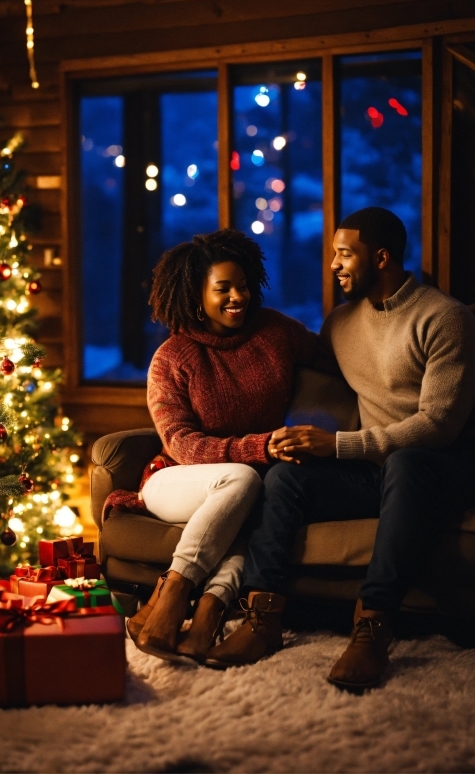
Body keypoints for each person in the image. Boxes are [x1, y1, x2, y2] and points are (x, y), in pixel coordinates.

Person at [206, 207, 475, 692]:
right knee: (285, 475)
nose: (333, 265)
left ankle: (372, 626)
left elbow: (438, 426)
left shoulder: (445, 319)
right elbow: (285, 354)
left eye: (343, 254)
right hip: (373, 472)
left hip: (437, 470)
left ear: (381, 258)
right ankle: (262, 618)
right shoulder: (339, 324)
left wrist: (337, 444)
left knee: (405, 462)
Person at [126, 229, 334, 665]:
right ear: (195, 293)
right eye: (223, 289)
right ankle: (174, 592)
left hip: (253, 486)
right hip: (176, 480)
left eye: (243, 285)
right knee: (243, 479)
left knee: (260, 504)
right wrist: (262, 447)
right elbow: (181, 445)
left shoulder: (276, 332)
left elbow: (335, 357)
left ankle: (207, 617)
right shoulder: (172, 357)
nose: (238, 296)